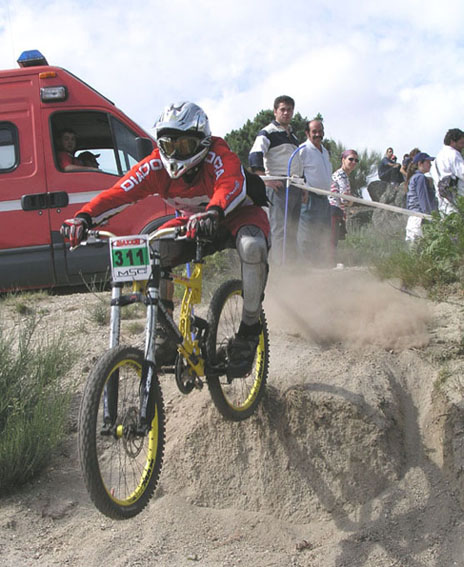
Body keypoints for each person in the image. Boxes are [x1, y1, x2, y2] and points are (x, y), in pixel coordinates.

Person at [61, 101, 270, 377]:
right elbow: (120, 192)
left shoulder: (218, 155)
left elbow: (230, 184)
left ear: (202, 143)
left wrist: (214, 211)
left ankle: (249, 330)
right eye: (169, 145)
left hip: (238, 213)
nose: (175, 153)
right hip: (194, 220)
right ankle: (166, 332)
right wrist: (84, 217)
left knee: (252, 247)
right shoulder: (155, 166)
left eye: (184, 145)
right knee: (153, 249)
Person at [249, 95, 302, 264]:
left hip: (295, 186)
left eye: (289, 110)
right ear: (275, 111)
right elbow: (255, 154)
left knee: (292, 230)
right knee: (279, 229)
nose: (286, 113)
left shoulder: (293, 137)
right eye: (282, 109)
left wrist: (303, 187)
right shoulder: (268, 132)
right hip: (278, 186)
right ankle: (280, 268)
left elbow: (298, 162)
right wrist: (264, 180)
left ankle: (292, 267)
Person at [297, 119, 332, 266]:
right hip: (309, 198)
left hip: (325, 199)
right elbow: (296, 172)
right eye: (314, 131)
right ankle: (307, 267)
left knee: (323, 233)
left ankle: (321, 266)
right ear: (307, 133)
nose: (318, 134)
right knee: (307, 235)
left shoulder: (325, 151)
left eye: (320, 131)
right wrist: (303, 189)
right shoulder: (303, 149)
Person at [329, 149, 358, 263]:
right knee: (331, 241)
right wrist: (352, 201)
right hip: (334, 209)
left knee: (332, 240)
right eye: (351, 159)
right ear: (343, 160)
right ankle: (329, 264)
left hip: (335, 210)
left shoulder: (342, 175)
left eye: (356, 160)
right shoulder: (342, 175)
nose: (353, 162)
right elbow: (344, 199)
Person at [405, 152, 438, 243]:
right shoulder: (420, 178)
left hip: (413, 219)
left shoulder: (414, 177)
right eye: (428, 162)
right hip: (420, 219)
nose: (430, 164)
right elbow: (423, 200)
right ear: (420, 163)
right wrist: (431, 218)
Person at [430, 128, 464, 215]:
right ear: (452, 142)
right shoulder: (453, 154)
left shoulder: (436, 160)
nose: (462, 146)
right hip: (457, 201)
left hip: (444, 204)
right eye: (461, 143)